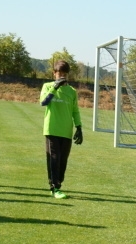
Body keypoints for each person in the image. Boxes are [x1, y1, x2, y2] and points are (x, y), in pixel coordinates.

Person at [39, 60, 83, 199]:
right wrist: (55, 88)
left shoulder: (71, 91)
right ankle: (54, 187)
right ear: (54, 74)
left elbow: (75, 111)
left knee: (63, 161)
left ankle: (58, 185)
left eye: (64, 74)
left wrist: (79, 127)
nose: (62, 77)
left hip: (66, 131)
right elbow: (43, 102)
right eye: (59, 74)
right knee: (54, 159)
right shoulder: (47, 86)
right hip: (52, 130)